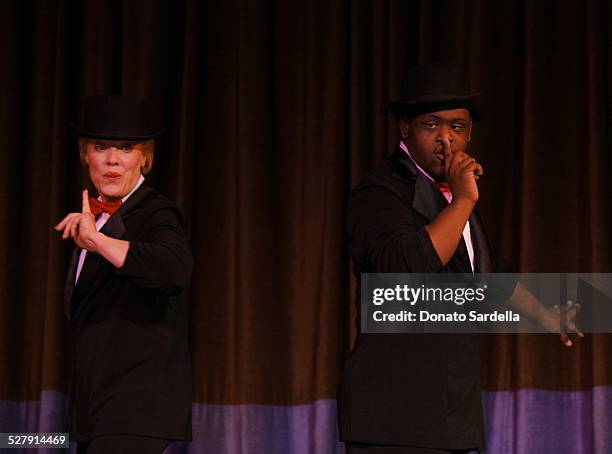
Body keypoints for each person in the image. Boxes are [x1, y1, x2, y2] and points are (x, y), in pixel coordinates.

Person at [337, 63, 580, 454]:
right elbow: (407, 271)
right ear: (405, 128)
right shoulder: (378, 192)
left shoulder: (455, 196)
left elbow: (490, 277)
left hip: (453, 419)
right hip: (394, 423)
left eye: (457, 127)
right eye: (431, 126)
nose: (446, 141)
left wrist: (544, 314)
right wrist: (465, 200)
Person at [55, 95, 193, 454]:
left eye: (126, 148)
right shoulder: (94, 220)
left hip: (135, 411)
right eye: (101, 147)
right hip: (95, 411)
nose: (113, 159)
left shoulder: (155, 213)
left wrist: (98, 242)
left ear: (144, 158)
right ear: (86, 155)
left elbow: (173, 269)